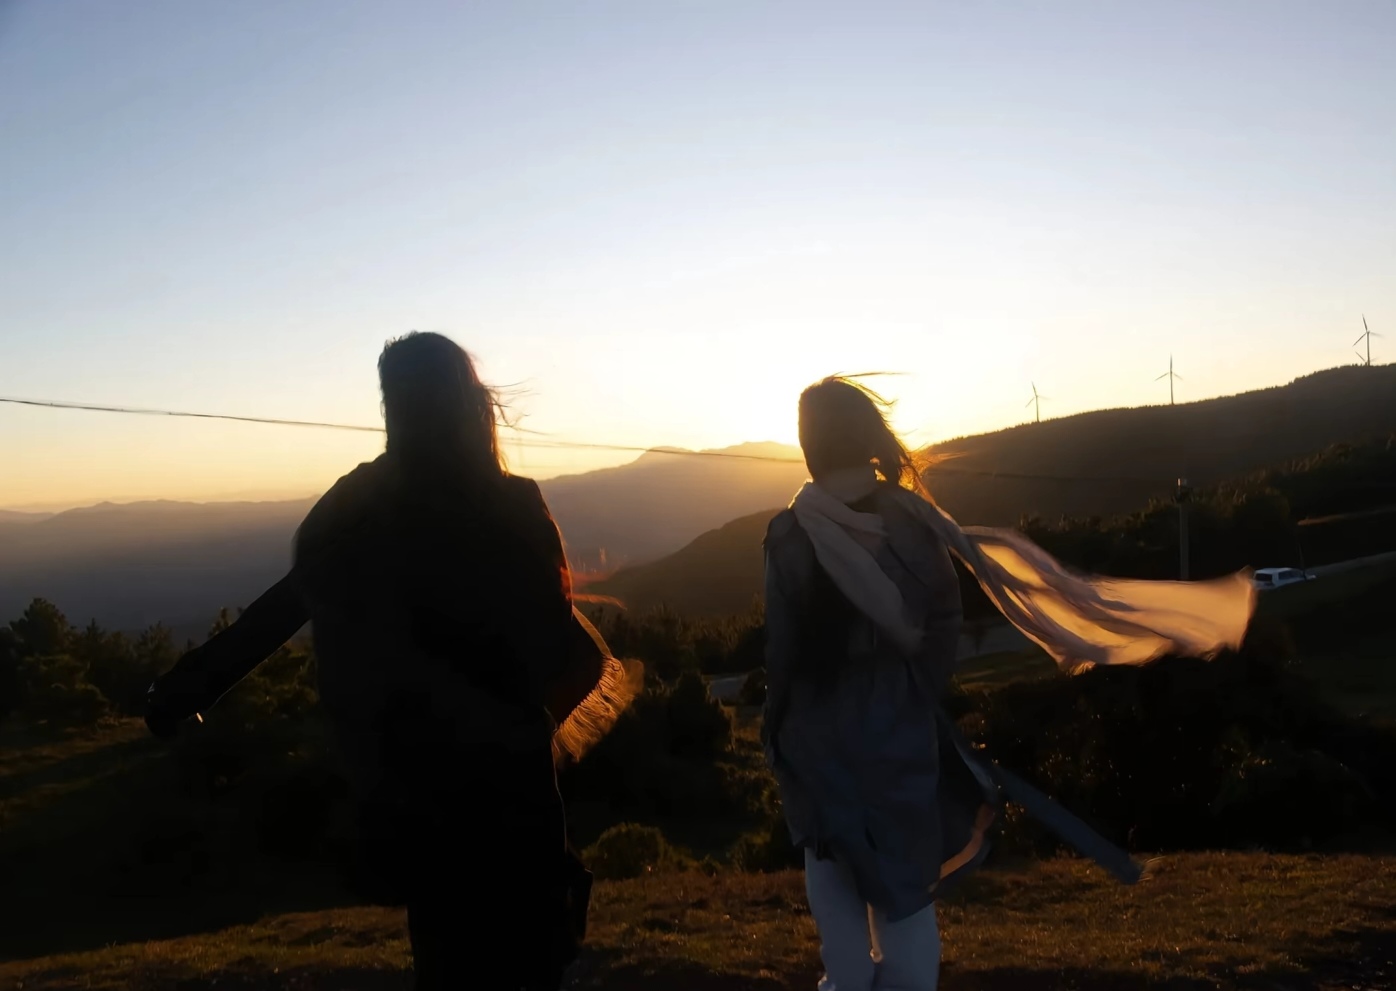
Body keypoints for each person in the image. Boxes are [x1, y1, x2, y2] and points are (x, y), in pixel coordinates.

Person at [144, 331, 636, 991]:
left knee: (447, 961)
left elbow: (287, 602)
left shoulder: (359, 502)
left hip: (417, 797)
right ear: (469, 402)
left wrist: (189, 687)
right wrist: (528, 725)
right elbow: (557, 644)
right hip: (514, 797)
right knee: (530, 961)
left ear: (392, 405)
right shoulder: (513, 503)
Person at [763, 376, 1255, 991]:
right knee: (905, 902)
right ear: (865, 435)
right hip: (897, 739)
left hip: (817, 743)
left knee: (834, 890)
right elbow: (941, 625)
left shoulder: (791, 532)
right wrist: (909, 696)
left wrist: (780, 738)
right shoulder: (914, 522)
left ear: (809, 445)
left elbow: (782, 654)